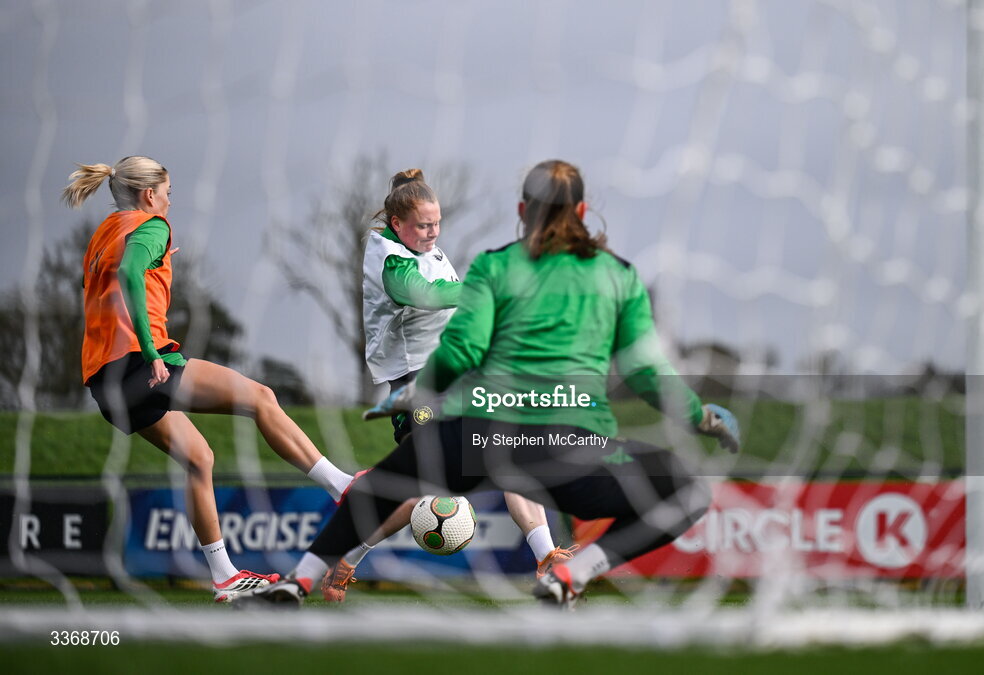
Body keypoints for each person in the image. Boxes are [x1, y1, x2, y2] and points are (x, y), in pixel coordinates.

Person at [242, 159, 739, 609]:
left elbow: (460, 351)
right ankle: (574, 571)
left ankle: (299, 581)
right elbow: (646, 374)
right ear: (584, 210)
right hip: (572, 447)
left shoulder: (494, 266)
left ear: (523, 210)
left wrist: (413, 394)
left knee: (387, 483)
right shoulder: (619, 276)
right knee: (688, 492)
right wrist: (703, 418)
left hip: (481, 427)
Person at [63, 156, 356, 602]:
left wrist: (154, 266)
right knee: (260, 397)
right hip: (142, 364)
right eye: (167, 192)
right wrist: (148, 349)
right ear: (149, 196)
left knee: (200, 457)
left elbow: (115, 278)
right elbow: (128, 275)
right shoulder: (154, 225)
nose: (169, 200)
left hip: (103, 380)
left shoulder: (105, 232)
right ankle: (341, 485)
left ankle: (223, 575)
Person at [320, 168, 575, 602]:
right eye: (423, 224)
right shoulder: (388, 256)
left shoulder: (430, 251)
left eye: (436, 222)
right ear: (398, 224)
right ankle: (348, 556)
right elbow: (425, 295)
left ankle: (546, 554)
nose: (433, 231)